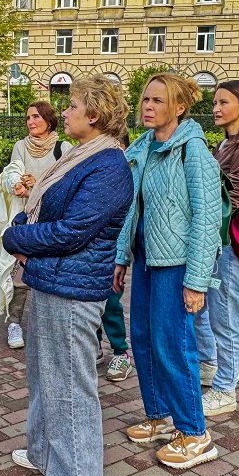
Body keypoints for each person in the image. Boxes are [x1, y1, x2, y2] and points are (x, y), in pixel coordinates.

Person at [2, 75, 133, 476]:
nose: (68, 111)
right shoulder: (83, 156)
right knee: (45, 377)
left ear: (93, 115)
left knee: (70, 389)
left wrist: (18, 234)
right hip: (53, 280)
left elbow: (73, 231)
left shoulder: (109, 165)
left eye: (74, 105)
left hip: (73, 288)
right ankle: (44, 454)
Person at [113, 73, 223, 469]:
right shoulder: (142, 147)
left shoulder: (191, 150)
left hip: (176, 263)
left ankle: (195, 433)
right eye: (145, 99)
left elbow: (208, 219)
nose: (148, 106)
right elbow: (134, 208)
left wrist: (196, 282)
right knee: (142, 338)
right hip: (146, 258)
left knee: (173, 344)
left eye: (158, 101)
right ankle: (159, 417)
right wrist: (122, 257)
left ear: (178, 108)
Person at [194, 81, 239, 415]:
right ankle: (211, 366)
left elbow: (236, 195)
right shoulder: (225, 142)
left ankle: (226, 389)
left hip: (230, 243)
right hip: (216, 240)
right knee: (207, 309)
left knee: (225, 315)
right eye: (214, 102)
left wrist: (206, 219)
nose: (216, 108)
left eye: (224, 102)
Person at [0, 101, 65, 350]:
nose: (30, 122)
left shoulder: (62, 147)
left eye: (36, 117)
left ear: (48, 119)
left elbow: (65, 185)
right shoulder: (20, 146)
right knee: (20, 272)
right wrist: (18, 184)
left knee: (53, 273)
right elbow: (12, 173)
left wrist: (38, 185)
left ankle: (50, 327)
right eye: (27, 118)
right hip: (27, 219)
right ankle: (14, 323)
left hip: (53, 220)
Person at [100, 127, 135, 383]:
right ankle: (94, 348)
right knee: (88, 303)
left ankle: (120, 352)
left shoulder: (129, 174)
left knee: (112, 301)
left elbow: (130, 217)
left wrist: (120, 256)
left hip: (113, 250)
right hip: (92, 249)